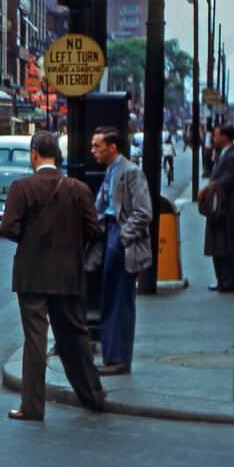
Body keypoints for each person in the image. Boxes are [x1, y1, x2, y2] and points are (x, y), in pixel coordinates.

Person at [0, 131, 107, 421]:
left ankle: (32, 407)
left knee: (35, 340)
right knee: (75, 335)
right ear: (57, 157)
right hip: (67, 274)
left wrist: (31, 237)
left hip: (32, 274)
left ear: (34, 154)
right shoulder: (78, 189)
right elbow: (95, 231)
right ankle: (93, 396)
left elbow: (9, 228)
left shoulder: (21, 188)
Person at [91, 126, 152, 375]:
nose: (93, 150)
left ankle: (118, 358)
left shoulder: (131, 173)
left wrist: (123, 237)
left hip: (120, 238)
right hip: (109, 235)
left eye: (97, 145)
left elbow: (143, 212)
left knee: (120, 300)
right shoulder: (111, 170)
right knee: (109, 297)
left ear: (112, 147)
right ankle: (110, 354)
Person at [202, 124, 234, 292]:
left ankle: (230, 281)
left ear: (225, 137)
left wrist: (209, 187)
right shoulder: (223, 154)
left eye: (216, 135)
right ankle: (222, 279)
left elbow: (228, 180)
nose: (214, 138)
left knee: (228, 245)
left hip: (228, 207)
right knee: (219, 245)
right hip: (219, 207)